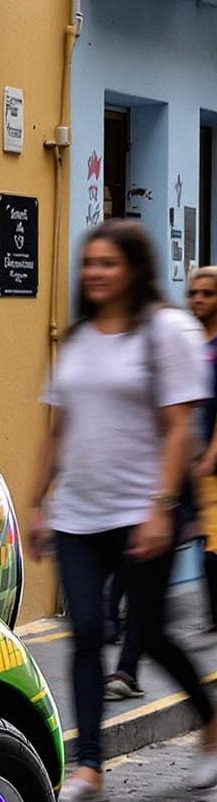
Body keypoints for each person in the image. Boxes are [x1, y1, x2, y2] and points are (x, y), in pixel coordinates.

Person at [28, 220, 217, 802]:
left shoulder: (168, 331)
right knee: (86, 632)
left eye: (108, 263)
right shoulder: (80, 338)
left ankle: (210, 725)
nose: (96, 273)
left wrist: (162, 508)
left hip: (141, 513)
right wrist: (38, 500)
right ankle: (89, 768)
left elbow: (180, 426)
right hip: (79, 516)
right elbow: (58, 429)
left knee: (151, 633)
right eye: (90, 263)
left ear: (134, 268)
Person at [191, 264, 217, 631]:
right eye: (193, 293)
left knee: (212, 552)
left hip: (212, 466)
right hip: (190, 462)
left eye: (207, 294)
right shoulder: (190, 343)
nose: (197, 300)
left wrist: (212, 453)